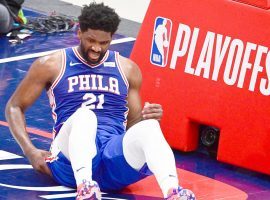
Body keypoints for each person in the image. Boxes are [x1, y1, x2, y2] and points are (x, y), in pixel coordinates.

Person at [5, 2, 196, 200]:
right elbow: (14, 106)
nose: (96, 48)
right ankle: (85, 186)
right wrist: (30, 152)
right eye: (91, 40)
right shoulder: (52, 64)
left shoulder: (127, 69)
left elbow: (133, 124)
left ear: (112, 38)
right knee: (85, 116)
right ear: (79, 32)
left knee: (149, 128)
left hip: (110, 161)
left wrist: (150, 117)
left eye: (103, 43)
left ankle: (173, 191)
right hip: (70, 160)